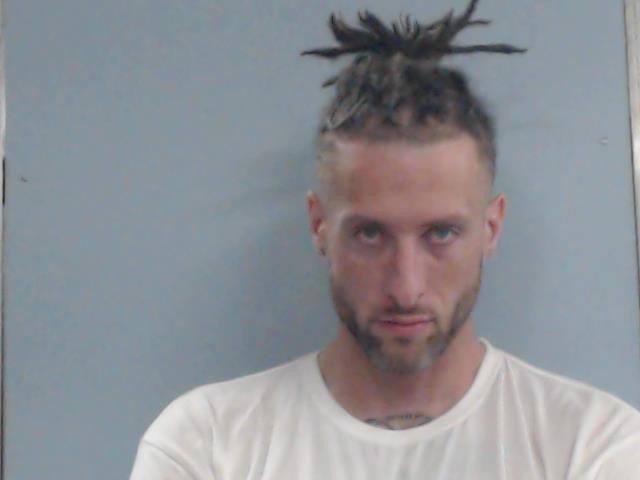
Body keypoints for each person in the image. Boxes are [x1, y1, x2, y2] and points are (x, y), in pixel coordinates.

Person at [130, 1, 640, 478]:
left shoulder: (593, 447)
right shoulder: (205, 445)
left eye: (441, 233)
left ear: (491, 228)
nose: (406, 287)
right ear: (319, 226)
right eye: (370, 234)